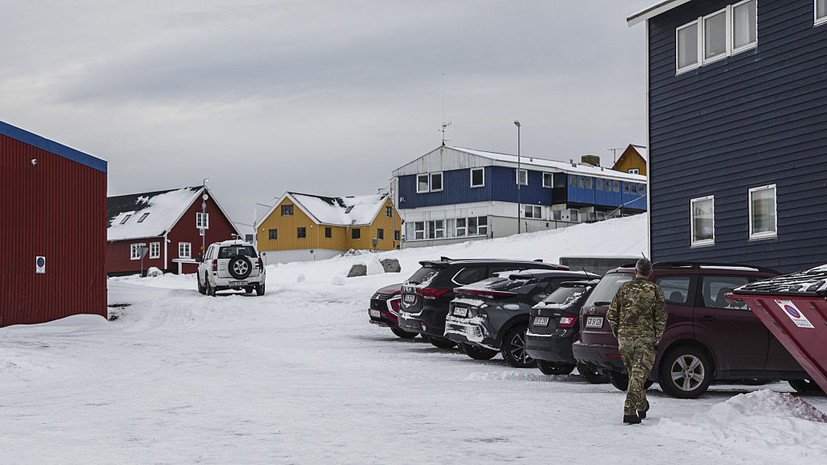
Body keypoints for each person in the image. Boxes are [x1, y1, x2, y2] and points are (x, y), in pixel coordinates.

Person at [606, 258, 667, 424]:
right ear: (651, 273)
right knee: (638, 375)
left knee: (635, 375)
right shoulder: (654, 290)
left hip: (625, 340)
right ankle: (629, 411)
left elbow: (611, 314)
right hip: (645, 339)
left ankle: (642, 404)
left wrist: (618, 332)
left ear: (635, 271)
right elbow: (662, 317)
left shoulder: (624, 288)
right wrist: (657, 337)